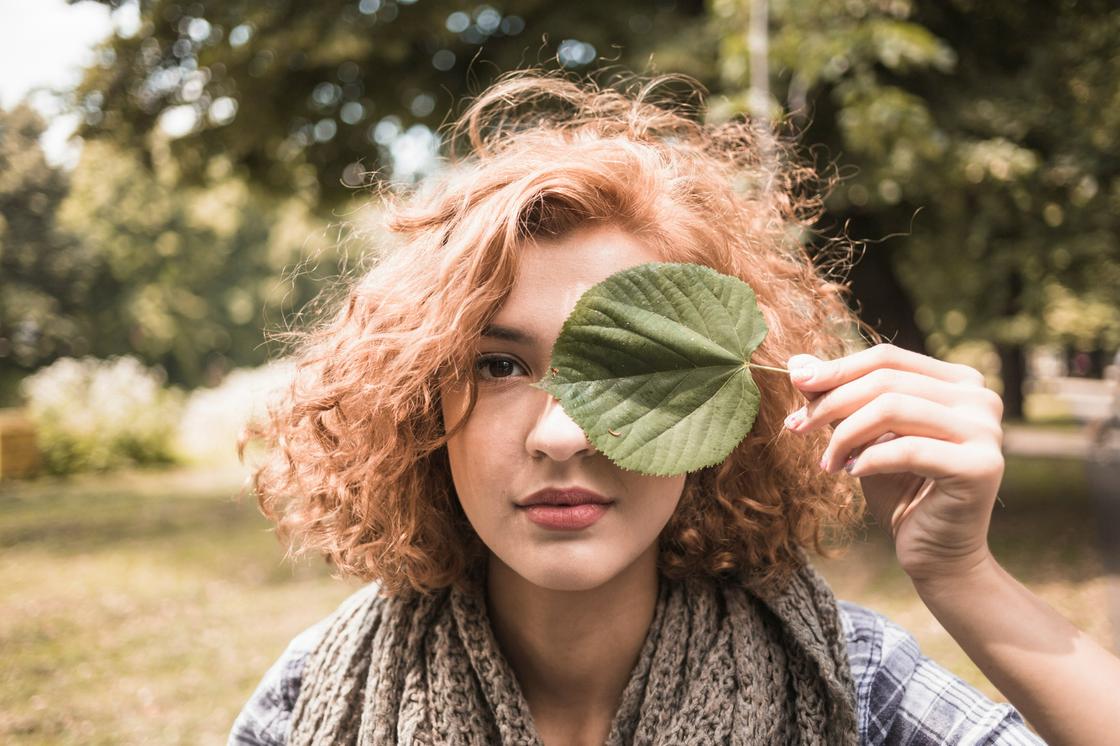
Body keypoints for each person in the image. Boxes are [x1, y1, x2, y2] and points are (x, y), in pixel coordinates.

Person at [229, 71, 1119, 745]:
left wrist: (965, 577)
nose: (562, 433)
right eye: (500, 364)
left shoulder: (846, 681)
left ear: (728, 400)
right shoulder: (313, 698)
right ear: (419, 402)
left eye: (634, 364)